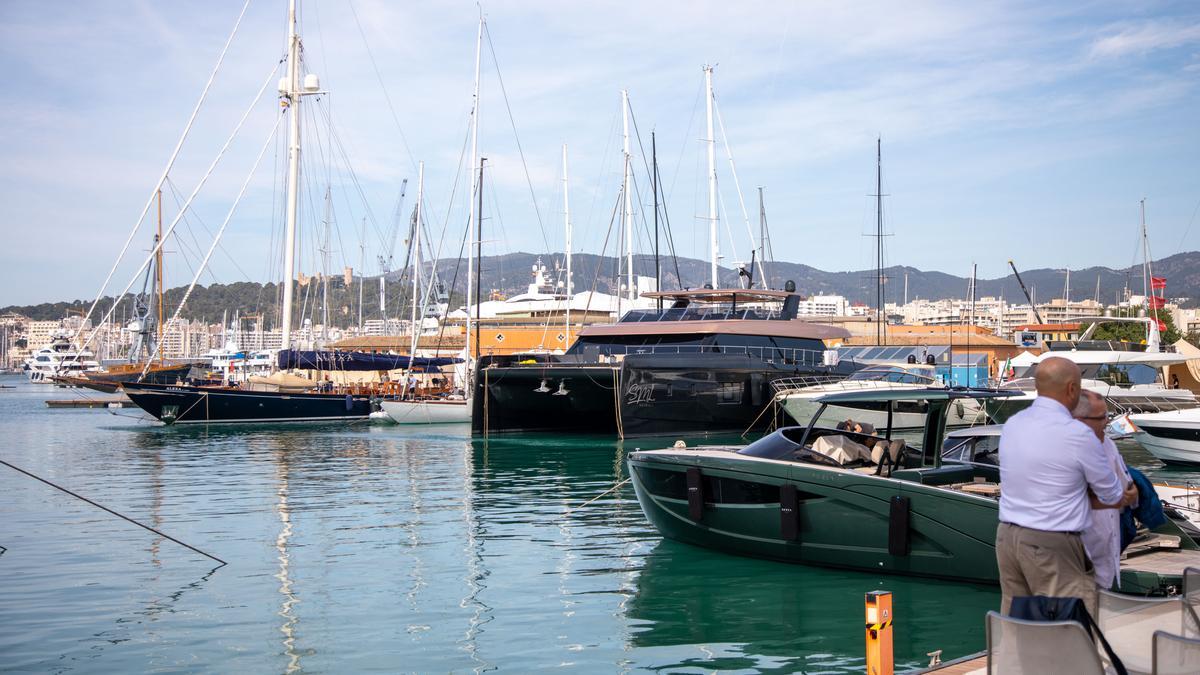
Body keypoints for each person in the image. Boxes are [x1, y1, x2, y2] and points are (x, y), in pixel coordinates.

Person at [996, 357, 1137, 616]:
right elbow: (1112, 494)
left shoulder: (1014, 425)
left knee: (1018, 621)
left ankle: (1017, 658)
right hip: (1051, 541)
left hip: (1007, 538)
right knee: (1070, 623)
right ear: (1071, 389)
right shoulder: (1077, 434)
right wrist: (1128, 495)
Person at [1075, 390, 1132, 592]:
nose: (1107, 422)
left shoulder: (1108, 445)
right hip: (1078, 561)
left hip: (1108, 556)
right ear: (1079, 419)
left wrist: (1132, 494)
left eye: (1107, 416)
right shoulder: (1064, 451)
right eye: (1101, 417)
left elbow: (1126, 485)